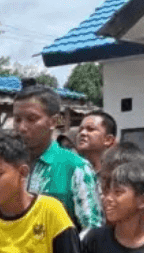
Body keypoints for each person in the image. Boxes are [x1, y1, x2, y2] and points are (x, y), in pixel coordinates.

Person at [14, 85, 102, 231]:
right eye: (17, 119)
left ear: (53, 122)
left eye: (31, 119)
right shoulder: (8, 166)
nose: (22, 127)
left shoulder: (76, 167)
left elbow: (92, 230)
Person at [74, 110, 117, 174]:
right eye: (80, 130)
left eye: (90, 129)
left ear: (108, 140)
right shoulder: (70, 170)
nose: (82, 133)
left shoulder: (117, 175)